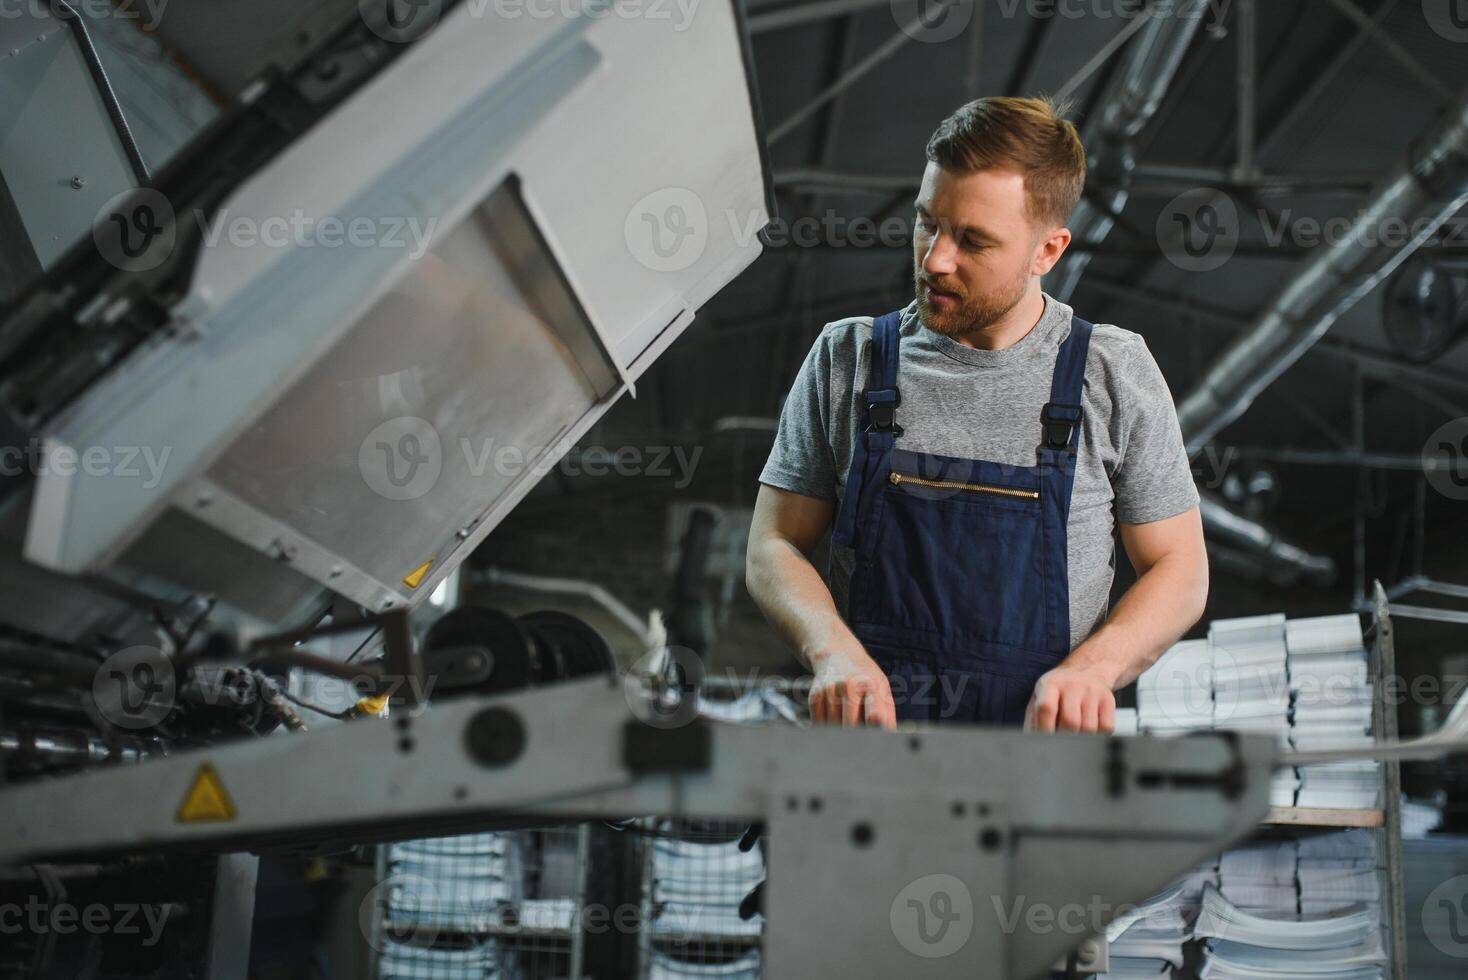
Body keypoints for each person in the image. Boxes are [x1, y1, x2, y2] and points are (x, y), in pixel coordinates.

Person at [744, 95, 1206, 734]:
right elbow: (773, 543)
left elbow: (1180, 569)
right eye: (927, 222)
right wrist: (832, 651)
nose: (935, 258)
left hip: (1039, 767)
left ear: (1048, 251)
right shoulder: (847, 357)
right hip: (869, 760)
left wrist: (1095, 669)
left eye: (973, 240)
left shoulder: (1112, 373)